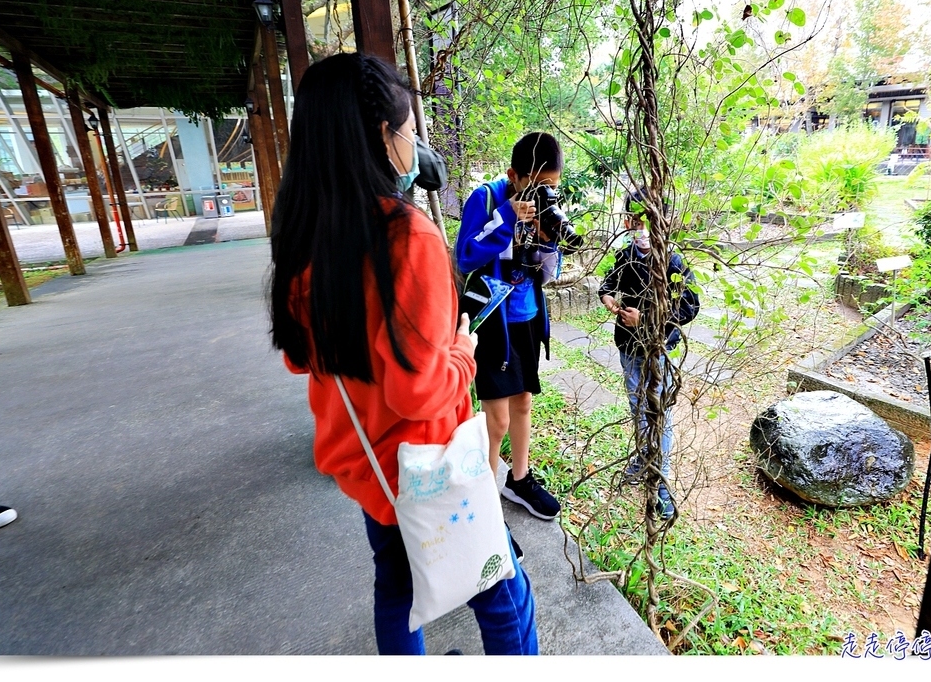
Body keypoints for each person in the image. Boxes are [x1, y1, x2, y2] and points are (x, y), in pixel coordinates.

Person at [269, 53, 538, 655]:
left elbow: (299, 357)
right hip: (425, 467)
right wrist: (463, 351)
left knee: (396, 586)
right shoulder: (405, 235)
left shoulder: (301, 232)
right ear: (383, 138)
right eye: (411, 131)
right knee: (504, 595)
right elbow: (416, 389)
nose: (416, 143)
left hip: (362, 459)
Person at [454, 133, 564, 521]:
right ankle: (484, 509)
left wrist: (549, 242)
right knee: (495, 420)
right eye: (535, 186)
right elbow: (465, 257)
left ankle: (518, 479)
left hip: (528, 316)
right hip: (492, 319)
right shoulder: (485, 199)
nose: (542, 194)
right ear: (512, 176)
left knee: (523, 403)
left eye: (550, 187)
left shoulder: (547, 205)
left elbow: (550, 273)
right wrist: (506, 218)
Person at [598, 187, 700, 520]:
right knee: (637, 408)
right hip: (628, 346)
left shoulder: (672, 261)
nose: (637, 227)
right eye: (633, 219)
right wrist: (609, 300)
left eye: (645, 221)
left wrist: (648, 318)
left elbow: (689, 305)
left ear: (660, 221)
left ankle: (662, 483)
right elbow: (606, 284)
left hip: (657, 349)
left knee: (660, 414)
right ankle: (643, 458)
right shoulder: (627, 255)